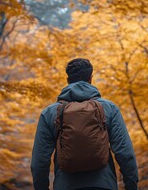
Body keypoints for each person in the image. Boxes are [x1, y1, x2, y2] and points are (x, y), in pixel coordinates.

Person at [31, 58, 139, 190]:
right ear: (90, 78)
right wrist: (131, 185)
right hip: (103, 185)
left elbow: (39, 162)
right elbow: (125, 153)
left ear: (68, 80)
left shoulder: (50, 113)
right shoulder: (109, 108)